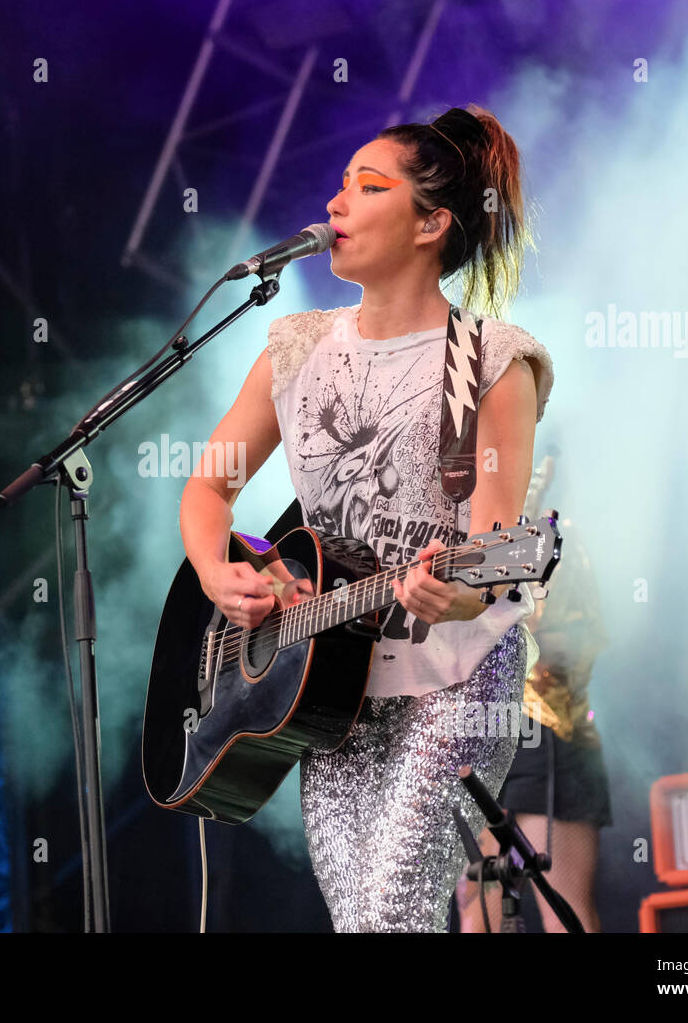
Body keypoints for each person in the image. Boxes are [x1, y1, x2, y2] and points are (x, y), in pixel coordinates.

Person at [177, 103, 553, 931]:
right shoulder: (295, 346)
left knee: (392, 915)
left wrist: (453, 594)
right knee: (362, 926)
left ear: (432, 225)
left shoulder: (494, 361)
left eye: (368, 186)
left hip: (455, 673)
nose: (336, 202)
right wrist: (218, 571)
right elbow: (208, 490)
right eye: (342, 183)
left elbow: (496, 553)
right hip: (326, 687)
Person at [454, 484, 613, 933]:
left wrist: (515, 619)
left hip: (546, 733)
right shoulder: (448, 531)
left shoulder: (558, 536)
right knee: (475, 905)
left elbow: (581, 642)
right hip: (472, 734)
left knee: (562, 903)